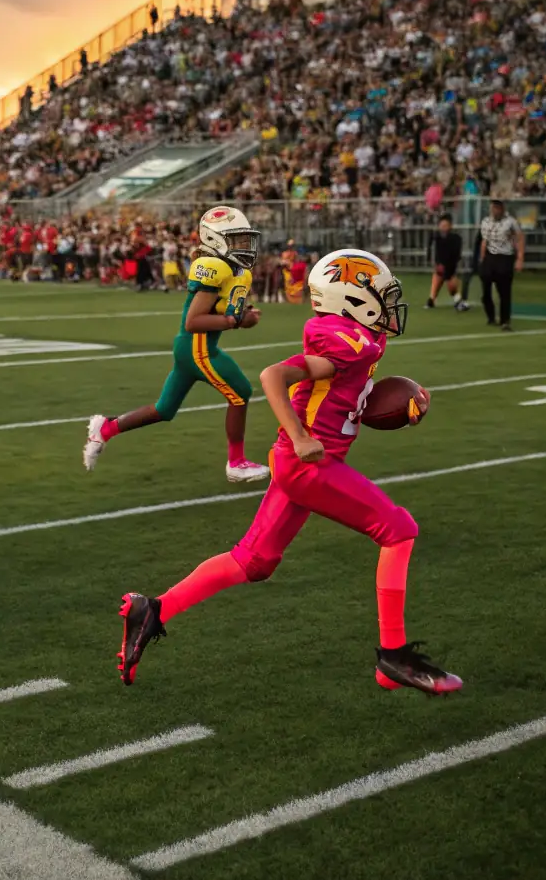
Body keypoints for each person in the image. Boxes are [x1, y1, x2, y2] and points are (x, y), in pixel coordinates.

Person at [116, 248, 462, 695]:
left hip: (299, 462)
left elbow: (344, 394)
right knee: (399, 529)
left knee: (253, 561)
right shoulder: (347, 342)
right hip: (306, 464)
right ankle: (393, 657)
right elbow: (273, 376)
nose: (389, 304)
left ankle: (153, 610)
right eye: (379, 293)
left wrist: (402, 404)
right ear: (350, 299)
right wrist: (300, 435)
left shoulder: (359, 337)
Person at [84, 206, 270, 485]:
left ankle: (106, 428)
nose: (245, 245)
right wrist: (235, 321)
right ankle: (237, 462)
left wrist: (243, 319)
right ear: (216, 240)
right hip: (198, 349)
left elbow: (226, 316)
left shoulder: (234, 271)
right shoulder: (214, 267)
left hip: (190, 348)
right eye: (237, 239)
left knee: (164, 409)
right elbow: (195, 321)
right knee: (240, 392)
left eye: (245, 238)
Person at [479, 198, 524, 330]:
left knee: (504, 290)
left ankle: (505, 320)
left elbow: (519, 238)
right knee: (485, 290)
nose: (495, 210)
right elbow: (484, 240)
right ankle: (491, 316)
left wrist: (520, 258)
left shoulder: (510, 222)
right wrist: (482, 258)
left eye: (497, 207)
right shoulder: (486, 222)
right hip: (490, 256)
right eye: (493, 207)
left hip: (505, 256)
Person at [425, 214, 468, 311]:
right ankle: (432, 299)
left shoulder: (456, 238)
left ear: (450, 226)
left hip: (450, 265)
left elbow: (456, 255)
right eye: (442, 225)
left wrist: (447, 267)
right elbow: (431, 249)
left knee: (450, 283)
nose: (443, 228)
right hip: (440, 265)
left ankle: (458, 300)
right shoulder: (436, 237)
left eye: (446, 225)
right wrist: (437, 263)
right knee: (437, 280)